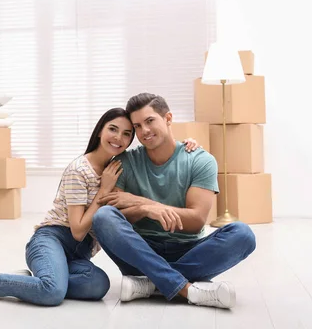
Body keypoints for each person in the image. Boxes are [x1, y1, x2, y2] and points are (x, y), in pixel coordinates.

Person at [0, 107, 200, 306]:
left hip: (80, 253)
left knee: (98, 286)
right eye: (113, 129)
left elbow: (157, 151)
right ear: (100, 131)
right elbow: (78, 230)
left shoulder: (118, 169)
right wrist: (103, 192)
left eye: (126, 134)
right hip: (52, 239)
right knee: (52, 293)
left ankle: (34, 279)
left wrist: (187, 145)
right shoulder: (79, 170)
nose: (119, 138)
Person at [91, 93, 256, 309]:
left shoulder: (200, 160)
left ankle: (151, 283)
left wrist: (143, 204)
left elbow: (196, 221)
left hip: (189, 249)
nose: (144, 132)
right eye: (138, 126)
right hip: (140, 251)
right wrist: (144, 211)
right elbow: (116, 215)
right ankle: (185, 288)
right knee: (103, 216)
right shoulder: (125, 162)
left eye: (150, 121)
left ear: (168, 118)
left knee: (243, 235)